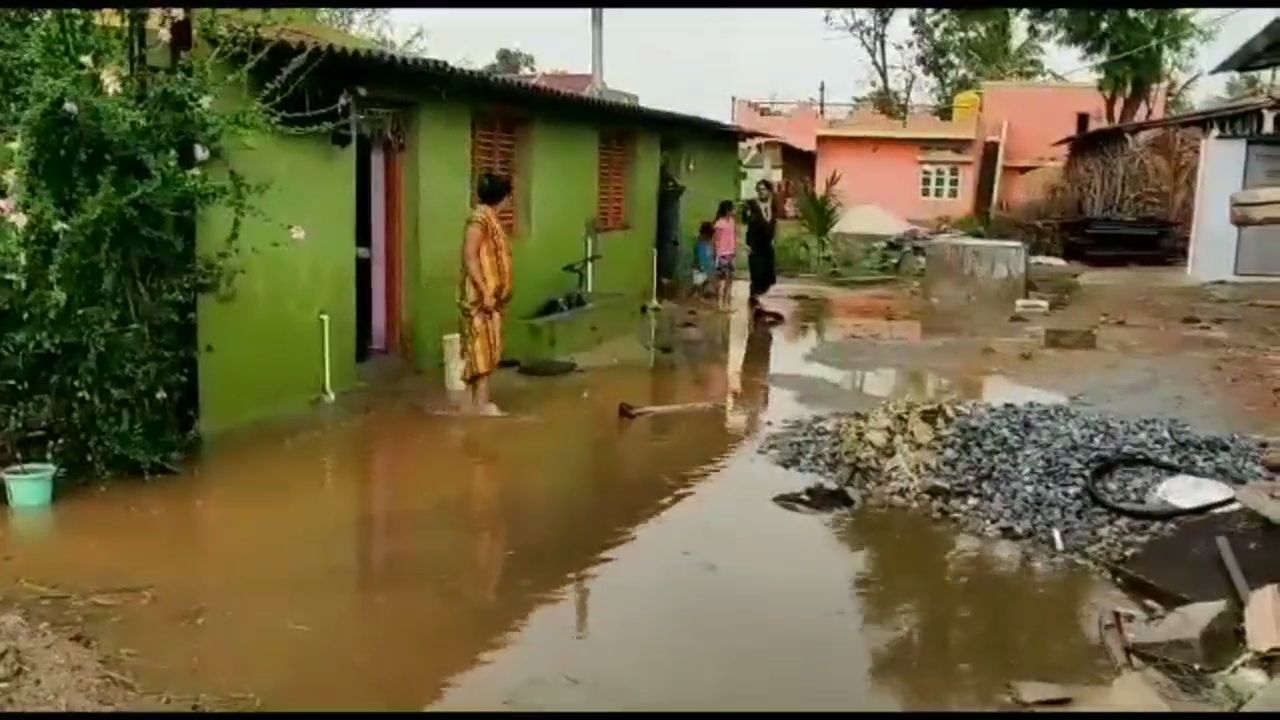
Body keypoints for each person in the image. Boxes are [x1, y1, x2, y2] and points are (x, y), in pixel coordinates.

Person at [458, 173, 514, 415]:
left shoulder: (489, 218)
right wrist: (484, 291)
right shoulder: (479, 219)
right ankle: (481, 406)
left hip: (492, 301)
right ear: (504, 197)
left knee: (486, 348)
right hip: (481, 300)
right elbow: (470, 256)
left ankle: (472, 405)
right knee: (481, 349)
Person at [741, 179, 778, 308]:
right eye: (760, 189)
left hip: (767, 244)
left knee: (768, 273)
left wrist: (775, 240)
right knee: (756, 270)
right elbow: (745, 222)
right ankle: (753, 297)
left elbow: (774, 224)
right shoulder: (751, 204)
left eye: (764, 189)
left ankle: (759, 292)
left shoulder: (773, 205)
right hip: (755, 243)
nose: (762, 192)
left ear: (769, 191)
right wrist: (746, 244)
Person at [712, 200, 738, 310]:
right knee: (722, 280)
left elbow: (734, 236)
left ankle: (726, 303)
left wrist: (740, 246)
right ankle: (719, 304)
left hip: (731, 254)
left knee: (730, 280)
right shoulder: (719, 223)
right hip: (722, 255)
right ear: (727, 210)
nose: (734, 211)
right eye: (733, 208)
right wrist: (716, 255)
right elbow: (715, 240)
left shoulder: (732, 221)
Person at [692, 221, 716, 299]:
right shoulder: (701, 243)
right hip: (700, 267)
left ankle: (699, 295)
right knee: (698, 284)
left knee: (702, 283)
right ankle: (697, 296)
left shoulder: (707, 243)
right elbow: (699, 256)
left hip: (705, 267)